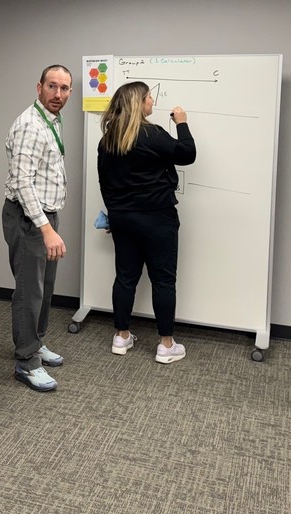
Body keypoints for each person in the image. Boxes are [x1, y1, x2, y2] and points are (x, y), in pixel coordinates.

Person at [97, 81, 196, 364]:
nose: (152, 102)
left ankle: (122, 336)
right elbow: (187, 154)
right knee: (163, 279)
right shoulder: (153, 134)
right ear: (138, 103)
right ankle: (166, 345)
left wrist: (114, 215)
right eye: (149, 98)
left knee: (125, 277)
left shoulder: (108, 140)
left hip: (123, 219)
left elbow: (105, 183)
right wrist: (182, 123)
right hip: (157, 219)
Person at [2, 64, 73, 392]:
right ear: (39, 87)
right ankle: (26, 362)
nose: (58, 94)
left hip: (45, 218)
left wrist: (50, 223)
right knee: (30, 292)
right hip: (30, 219)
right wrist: (46, 228)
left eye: (65, 88)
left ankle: (35, 342)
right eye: (52, 87)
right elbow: (23, 183)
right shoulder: (31, 124)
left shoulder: (52, 120)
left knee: (43, 289)